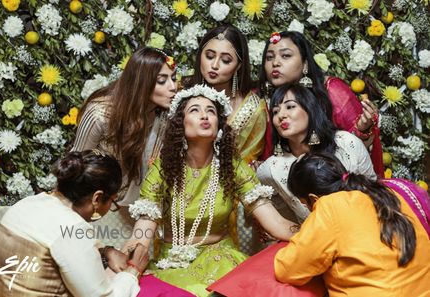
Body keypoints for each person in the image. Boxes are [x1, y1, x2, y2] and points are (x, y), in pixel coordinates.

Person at [125, 85, 298, 297]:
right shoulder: (163, 168)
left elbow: (276, 224)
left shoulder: (232, 166)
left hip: (221, 261)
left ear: (219, 124)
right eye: (195, 110)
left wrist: (316, 234)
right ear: (180, 123)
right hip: (172, 264)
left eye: (211, 111)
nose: (205, 115)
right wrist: (130, 268)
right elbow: (142, 233)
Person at [0, 150, 149, 297]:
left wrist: (105, 251)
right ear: (97, 198)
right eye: (112, 201)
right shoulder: (72, 228)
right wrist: (133, 270)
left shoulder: (26, 204)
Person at [275, 152, 430, 296]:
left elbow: (287, 269)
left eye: (305, 204)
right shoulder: (391, 192)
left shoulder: (330, 206)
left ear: (313, 199)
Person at [259, 31, 384, 177]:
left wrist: (363, 130)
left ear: (305, 63)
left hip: (341, 181)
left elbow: (355, 153)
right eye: (269, 58)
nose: (275, 63)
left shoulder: (332, 90)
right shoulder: (267, 102)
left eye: (286, 55)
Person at [188, 24, 268, 253]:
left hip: (229, 186)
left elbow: (248, 161)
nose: (214, 66)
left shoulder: (252, 108)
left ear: (238, 66)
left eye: (225, 60)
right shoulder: (184, 93)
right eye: (209, 56)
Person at [72, 47, 177, 206]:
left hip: (145, 205)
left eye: (174, 78)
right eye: (162, 81)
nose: (173, 87)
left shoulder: (166, 116)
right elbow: (76, 164)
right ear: (141, 82)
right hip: (99, 203)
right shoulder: (101, 113)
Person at [257, 83, 376, 224]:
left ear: (310, 109)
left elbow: (375, 193)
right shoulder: (271, 169)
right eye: (275, 111)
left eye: (290, 107)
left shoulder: (346, 144)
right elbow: (281, 220)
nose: (281, 116)